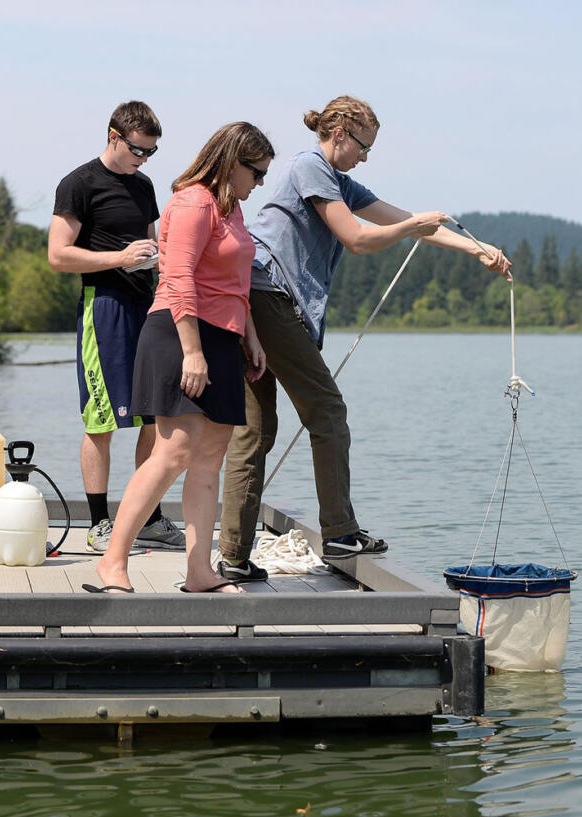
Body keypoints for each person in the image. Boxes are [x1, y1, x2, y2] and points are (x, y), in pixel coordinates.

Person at [217, 95, 512, 582]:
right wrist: (409, 226)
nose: (366, 156)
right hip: (269, 298)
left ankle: (232, 555)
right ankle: (339, 531)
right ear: (339, 134)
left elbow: (408, 221)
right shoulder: (311, 166)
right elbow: (356, 238)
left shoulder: (338, 181)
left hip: (253, 299)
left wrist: (477, 248)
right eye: (363, 146)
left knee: (256, 430)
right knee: (326, 411)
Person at [88, 122, 274, 595]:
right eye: (256, 173)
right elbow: (178, 280)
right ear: (232, 162)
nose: (259, 184)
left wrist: (250, 336)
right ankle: (112, 561)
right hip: (179, 335)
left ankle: (199, 571)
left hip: (222, 338)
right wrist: (192, 352)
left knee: (210, 457)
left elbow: (235, 283)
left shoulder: (231, 211)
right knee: (172, 452)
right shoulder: (193, 202)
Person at [48, 100, 186, 554]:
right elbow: (58, 255)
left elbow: (153, 243)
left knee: (154, 414)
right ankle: (99, 523)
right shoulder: (77, 184)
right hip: (101, 306)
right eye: (137, 151)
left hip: (146, 305)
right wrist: (120, 258)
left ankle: (147, 516)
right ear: (113, 137)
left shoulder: (144, 185)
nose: (143, 160)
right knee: (100, 421)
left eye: (150, 152)